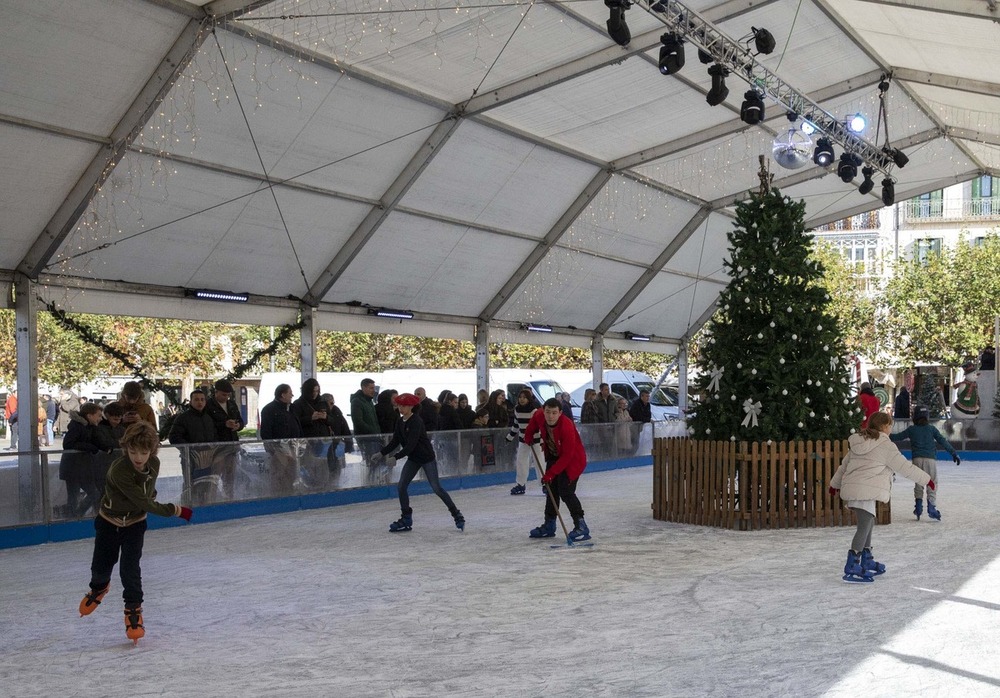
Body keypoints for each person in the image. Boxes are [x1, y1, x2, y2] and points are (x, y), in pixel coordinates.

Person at [77, 421, 193, 643]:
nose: (138, 457)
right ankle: (99, 588)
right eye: (133, 452)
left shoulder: (154, 464)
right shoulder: (119, 470)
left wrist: (151, 493)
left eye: (144, 452)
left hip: (135, 524)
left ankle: (133, 610)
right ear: (125, 449)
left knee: (130, 569)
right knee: (102, 564)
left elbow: (148, 491)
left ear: (152, 451)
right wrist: (176, 510)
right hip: (109, 521)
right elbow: (143, 500)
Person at [829, 411, 933, 582]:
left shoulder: (859, 441)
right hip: (865, 490)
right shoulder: (886, 445)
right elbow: (905, 467)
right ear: (885, 426)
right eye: (890, 425)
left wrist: (835, 484)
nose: (891, 428)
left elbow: (844, 465)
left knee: (869, 522)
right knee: (864, 525)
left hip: (859, 489)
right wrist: (927, 479)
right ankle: (853, 563)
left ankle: (867, 558)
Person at [372, 393, 464, 533]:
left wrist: (395, 457)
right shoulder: (400, 421)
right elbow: (395, 441)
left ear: (411, 407)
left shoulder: (416, 421)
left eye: (404, 406)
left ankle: (456, 514)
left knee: (436, 488)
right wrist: (381, 453)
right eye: (399, 405)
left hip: (426, 458)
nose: (400, 408)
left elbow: (411, 445)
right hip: (414, 459)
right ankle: (406, 518)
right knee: (402, 486)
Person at [523, 398, 590, 542]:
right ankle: (549, 524)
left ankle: (581, 525)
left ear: (560, 413)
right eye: (548, 412)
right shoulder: (540, 415)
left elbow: (567, 456)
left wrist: (551, 473)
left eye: (554, 413)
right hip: (554, 455)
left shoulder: (567, 426)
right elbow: (534, 421)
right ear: (544, 410)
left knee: (565, 491)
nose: (550, 416)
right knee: (551, 490)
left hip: (572, 461)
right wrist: (528, 435)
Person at [889, 405, 960, 521]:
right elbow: (942, 441)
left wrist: (884, 434)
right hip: (930, 460)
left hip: (917, 460)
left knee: (919, 482)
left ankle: (918, 507)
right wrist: (953, 453)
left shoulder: (912, 429)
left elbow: (898, 437)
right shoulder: (931, 429)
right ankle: (931, 507)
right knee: (932, 482)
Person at [168, 390, 223, 504]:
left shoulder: (208, 418)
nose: (200, 402)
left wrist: (213, 449)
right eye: (196, 399)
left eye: (202, 400)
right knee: (190, 485)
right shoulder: (183, 418)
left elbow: (215, 436)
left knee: (208, 484)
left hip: (208, 459)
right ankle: (188, 507)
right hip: (190, 459)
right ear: (191, 401)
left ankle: (206, 506)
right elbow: (174, 437)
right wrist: (189, 449)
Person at [60, 402, 115, 518]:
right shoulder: (76, 426)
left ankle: (77, 514)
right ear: (89, 415)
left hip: (84, 468)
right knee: (74, 496)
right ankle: (73, 517)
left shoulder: (91, 427)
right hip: (72, 468)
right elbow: (68, 443)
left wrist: (106, 447)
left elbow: (97, 440)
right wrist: (91, 448)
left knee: (94, 494)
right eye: (99, 415)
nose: (100, 419)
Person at [259, 383, 302, 494]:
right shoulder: (269, 409)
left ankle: (289, 493)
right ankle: (278, 495)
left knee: (291, 474)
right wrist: (272, 449)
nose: (292, 395)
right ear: (282, 395)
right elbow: (266, 432)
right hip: (278, 448)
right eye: (289, 393)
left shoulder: (291, 409)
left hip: (292, 446)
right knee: (279, 474)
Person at [505, 389, 542, 495]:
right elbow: (516, 425)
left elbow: (538, 426)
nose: (522, 399)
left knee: (539, 461)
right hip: (523, 440)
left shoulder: (534, 410)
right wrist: (509, 437)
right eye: (520, 397)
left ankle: (544, 483)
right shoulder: (517, 409)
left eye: (524, 397)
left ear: (529, 399)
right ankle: (521, 484)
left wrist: (538, 439)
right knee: (521, 461)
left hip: (536, 440)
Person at [321, 392, 353, 474]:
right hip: (324, 447)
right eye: (330, 403)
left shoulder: (337, 412)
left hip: (336, 445)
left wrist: (349, 442)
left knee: (336, 468)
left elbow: (344, 427)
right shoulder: (321, 413)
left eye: (333, 403)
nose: (332, 405)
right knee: (326, 469)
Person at [350, 378, 380, 465]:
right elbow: (358, 421)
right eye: (371, 388)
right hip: (365, 437)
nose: (373, 391)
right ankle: (370, 477)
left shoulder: (369, 401)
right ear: (364, 388)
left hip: (373, 437)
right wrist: (373, 430)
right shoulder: (357, 402)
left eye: (374, 388)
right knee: (371, 461)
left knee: (375, 461)